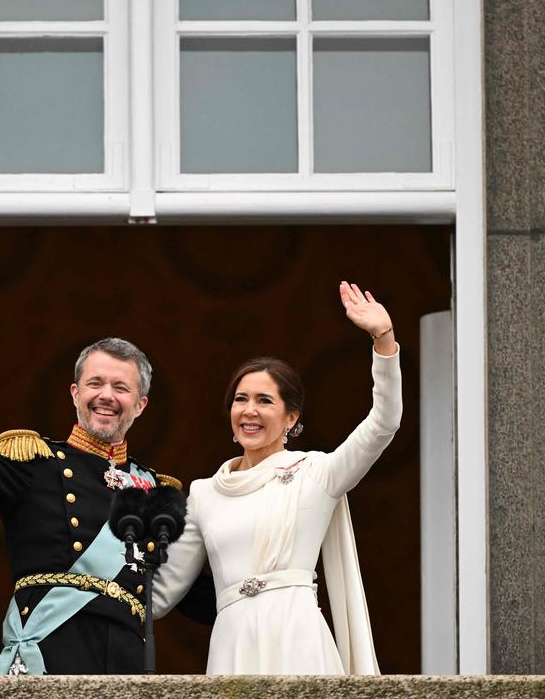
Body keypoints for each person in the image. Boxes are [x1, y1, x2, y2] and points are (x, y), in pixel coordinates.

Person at [149, 280, 402, 675]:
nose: (249, 411)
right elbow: (162, 593)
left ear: (291, 417)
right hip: (232, 646)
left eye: (264, 401)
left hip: (297, 638)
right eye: (241, 399)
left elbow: (384, 423)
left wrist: (383, 340)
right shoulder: (203, 493)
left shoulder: (316, 473)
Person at [0, 334, 188, 675]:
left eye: (120, 387)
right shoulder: (35, 463)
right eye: (95, 383)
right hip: (52, 651)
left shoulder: (155, 492)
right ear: (75, 393)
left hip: (125, 662)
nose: (106, 396)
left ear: (140, 404)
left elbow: (189, 584)